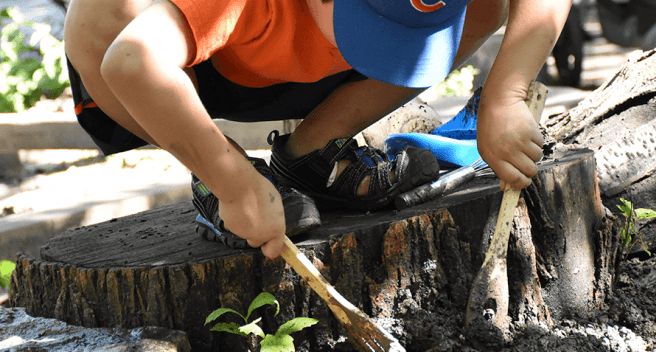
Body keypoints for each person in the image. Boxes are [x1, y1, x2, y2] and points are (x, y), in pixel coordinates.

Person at [63, 0, 571, 260]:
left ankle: (311, 152)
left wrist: (505, 94)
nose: (393, 44)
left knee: (484, 5)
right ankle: (218, 174)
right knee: (105, 29)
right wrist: (231, 181)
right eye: (377, 24)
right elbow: (132, 61)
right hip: (161, 65)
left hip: (295, 49)